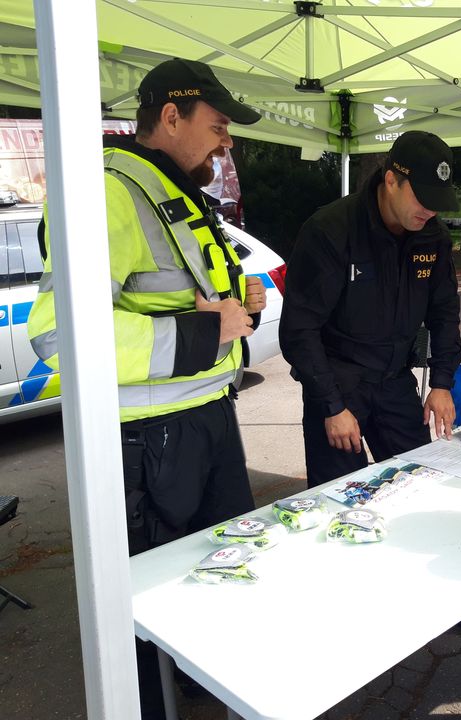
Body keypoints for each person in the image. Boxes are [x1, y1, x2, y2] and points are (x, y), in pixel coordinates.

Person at [27, 58, 265, 720]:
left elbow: (184, 300)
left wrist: (237, 308)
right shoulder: (108, 193)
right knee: (149, 605)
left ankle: (205, 683)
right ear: (170, 116)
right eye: (218, 126)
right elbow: (59, 335)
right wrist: (204, 330)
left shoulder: (173, 189)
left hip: (208, 419)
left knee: (222, 571)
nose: (227, 143)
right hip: (150, 441)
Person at [279, 130, 461, 488]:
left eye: (438, 200)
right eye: (423, 198)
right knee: (339, 495)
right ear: (391, 180)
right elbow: (299, 329)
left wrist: (442, 383)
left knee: (420, 482)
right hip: (338, 383)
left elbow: (444, 311)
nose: (431, 210)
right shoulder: (331, 230)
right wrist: (331, 405)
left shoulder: (432, 236)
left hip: (394, 380)